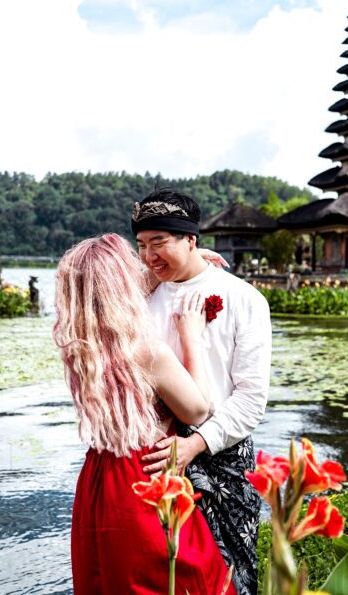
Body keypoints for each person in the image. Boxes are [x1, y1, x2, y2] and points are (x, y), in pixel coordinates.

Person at [55, 234, 233, 594]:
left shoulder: (81, 349)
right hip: (145, 476)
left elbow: (105, 292)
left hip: (98, 479)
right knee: (182, 580)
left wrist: (178, 262)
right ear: (121, 284)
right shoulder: (148, 352)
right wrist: (191, 337)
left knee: (107, 580)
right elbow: (198, 409)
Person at [132, 188, 272, 595]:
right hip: (156, 457)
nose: (149, 256)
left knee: (228, 577)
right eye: (141, 245)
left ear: (190, 239)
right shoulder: (140, 299)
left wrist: (195, 445)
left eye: (159, 242)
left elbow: (251, 399)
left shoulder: (244, 299)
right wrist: (157, 269)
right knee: (161, 577)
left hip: (220, 455)